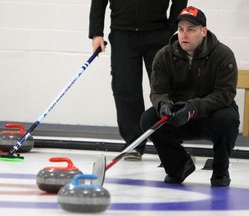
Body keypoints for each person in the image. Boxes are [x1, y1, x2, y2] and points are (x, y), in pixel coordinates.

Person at [140, 6, 240, 186]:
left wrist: (193, 107)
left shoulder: (223, 55)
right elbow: (158, 91)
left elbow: (225, 94)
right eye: (181, 29)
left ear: (203, 31)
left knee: (228, 118)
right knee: (148, 119)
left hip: (210, 116)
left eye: (191, 29)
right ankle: (178, 165)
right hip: (178, 117)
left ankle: (220, 170)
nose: (184, 34)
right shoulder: (164, 56)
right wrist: (163, 104)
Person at [89, 0, 188, 161]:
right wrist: (96, 33)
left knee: (167, 89)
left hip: (158, 32)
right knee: (124, 87)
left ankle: (174, 145)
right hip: (122, 33)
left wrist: (173, 29)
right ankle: (134, 143)